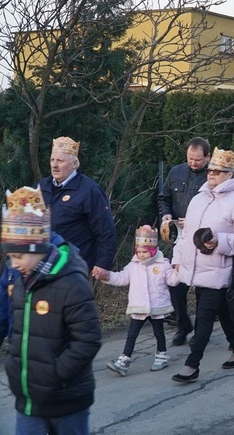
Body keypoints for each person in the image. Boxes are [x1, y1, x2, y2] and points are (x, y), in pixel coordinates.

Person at [3, 186, 101, 434]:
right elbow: (14, 328)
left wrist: (56, 374)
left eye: (18, 256)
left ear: (36, 250)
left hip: (66, 399)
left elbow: (88, 340)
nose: (13, 264)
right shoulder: (21, 281)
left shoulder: (72, 284)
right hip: (27, 399)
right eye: (10, 257)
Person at [169, 148, 234, 384]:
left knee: (204, 315)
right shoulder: (198, 199)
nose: (212, 174)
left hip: (221, 269)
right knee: (223, 312)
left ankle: (192, 364)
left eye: (218, 171)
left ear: (229, 175)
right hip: (198, 269)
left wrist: (219, 240)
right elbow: (186, 234)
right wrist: (177, 259)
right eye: (211, 170)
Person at [94, 225, 173, 376]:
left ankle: (161, 355)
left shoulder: (163, 265)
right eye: (139, 252)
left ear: (152, 251)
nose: (142, 255)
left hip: (157, 305)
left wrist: (179, 272)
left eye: (145, 252)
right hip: (139, 306)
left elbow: (172, 279)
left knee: (159, 332)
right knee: (132, 334)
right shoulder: (133, 266)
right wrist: (107, 276)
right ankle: (124, 360)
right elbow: (122, 278)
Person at [157, 136, 210, 346]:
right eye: (190, 159)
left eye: (198, 160)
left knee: (201, 286)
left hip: (203, 237)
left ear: (207, 157)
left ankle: (200, 331)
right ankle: (182, 324)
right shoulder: (176, 172)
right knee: (175, 283)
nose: (193, 163)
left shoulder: (213, 176)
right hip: (179, 236)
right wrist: (166, 215)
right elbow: (164, 197)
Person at [39, 136, 116, 272]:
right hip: (42, 266)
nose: (54, 165)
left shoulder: (89, 190)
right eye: (52, 160)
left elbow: (105, 230)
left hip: (74, 268)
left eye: (60, 161)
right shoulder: (41, 186)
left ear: (74, 164)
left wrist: (103, 263)